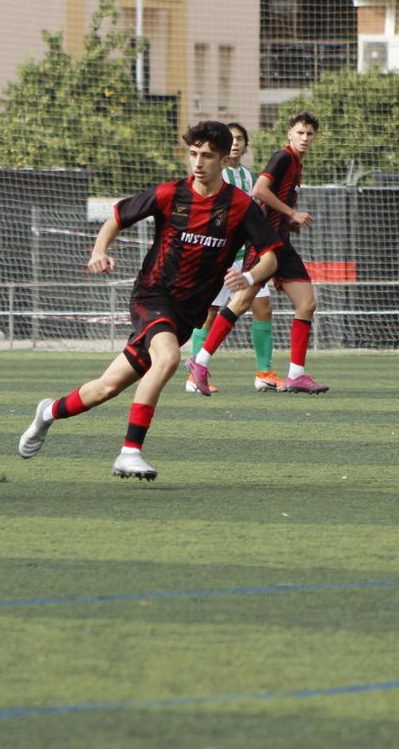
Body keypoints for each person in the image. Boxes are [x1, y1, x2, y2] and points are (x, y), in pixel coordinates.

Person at [17, 120, 282, 480]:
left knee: (105, 388)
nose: (198, 162)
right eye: (193, 154)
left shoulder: (239, 205)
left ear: (223, 160)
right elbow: (116, 217)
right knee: (170, 359)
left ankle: (47, 413)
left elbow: (272, 257)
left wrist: (248, 276)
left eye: (207, 155)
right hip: (152, 297)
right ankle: (130, 451)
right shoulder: (170, 194)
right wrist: (99, 251)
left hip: (187, 313)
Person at [187, 112, 328, 395]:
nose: (304, 138)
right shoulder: (283, 157)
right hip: (264, 244)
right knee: (240, 303)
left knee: (307, 304)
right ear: (290, 134)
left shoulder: (296, 165)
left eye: (309, 134)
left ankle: (296, 374)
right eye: (300, 132)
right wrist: (292, 213)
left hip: (281, 243)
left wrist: (288, 220)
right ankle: (200, 364)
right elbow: (260, 190)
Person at [185, 122, 283, 393]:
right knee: (210, 314)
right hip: (222, 257)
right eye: (232, 139)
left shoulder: (250, 177)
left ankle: (264, 372)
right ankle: (194, 375)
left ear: (245, 145)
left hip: (249, 258)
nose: (236, 142)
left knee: (263, 308)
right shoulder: (215, 174)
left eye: (240, 138)